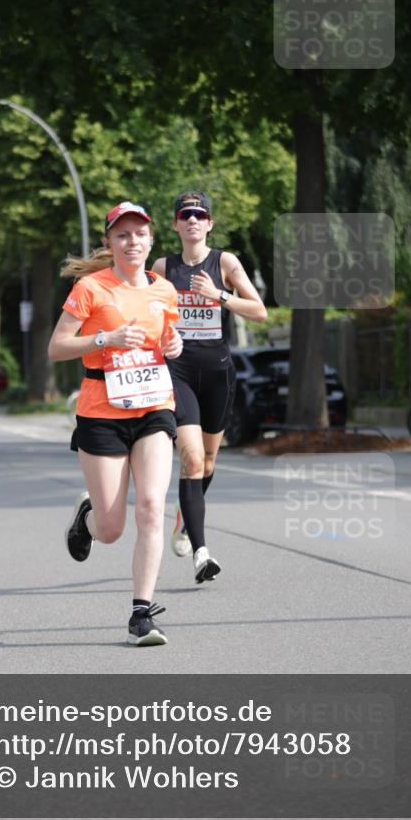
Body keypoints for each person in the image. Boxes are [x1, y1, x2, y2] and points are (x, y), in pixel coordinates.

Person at [48, 202, 183, 646]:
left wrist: (174, 343)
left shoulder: (164, 291)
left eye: (139, 234)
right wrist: (105, 338)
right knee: (111, 529)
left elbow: (166, 339)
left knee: (150, 506)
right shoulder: (90, 288)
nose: (132, 242)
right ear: (110, 242)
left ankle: (141, 614)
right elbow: (58, 347)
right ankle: (87, 517)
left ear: (150, 241)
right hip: (101, 408)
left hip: (153, 406)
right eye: (122, 235)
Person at [152, 191, 267, 583]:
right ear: (176, 224)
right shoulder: (164, 267)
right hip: (178, 371)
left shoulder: (225, 262)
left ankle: (185, 520)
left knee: (210, 462)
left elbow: (260, 311)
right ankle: (202, 553)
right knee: (192, 459)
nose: (193, 220)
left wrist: (219, 294)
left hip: (218, 372)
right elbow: (148, 310)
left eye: (200, 214)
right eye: (185, 214)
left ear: (209, 223)